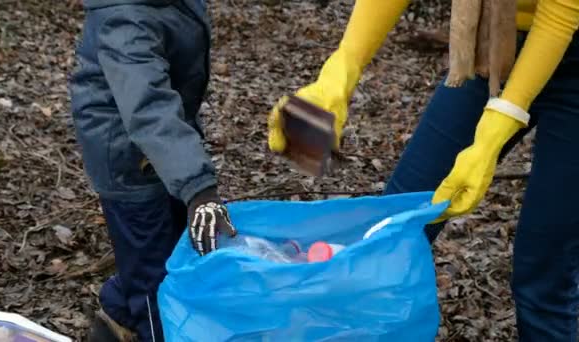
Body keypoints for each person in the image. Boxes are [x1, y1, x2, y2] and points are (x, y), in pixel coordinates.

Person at [267, 0, 579, 340]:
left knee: (543, 277)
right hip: (496, 41)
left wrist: (499, 124)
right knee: (398, 224)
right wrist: (342, 67)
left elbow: (563, 8)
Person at [69, 0, 237, 341]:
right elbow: (148, 107)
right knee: (156, 285)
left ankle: (115, 316)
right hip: (129, 161)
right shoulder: (125, 20)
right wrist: (198, 187)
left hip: (164, 152)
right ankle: (152, 328)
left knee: (174, 246)